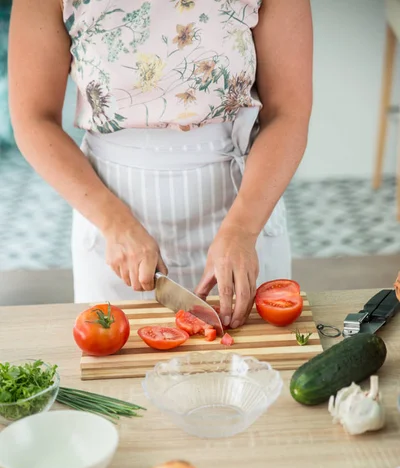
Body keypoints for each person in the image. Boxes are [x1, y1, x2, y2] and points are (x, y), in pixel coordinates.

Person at [8, 0, 312, 330]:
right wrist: (114, 223)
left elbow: (288, 113)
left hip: (243, 203)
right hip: (110, 210)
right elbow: (33, 119)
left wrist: (242, 230)